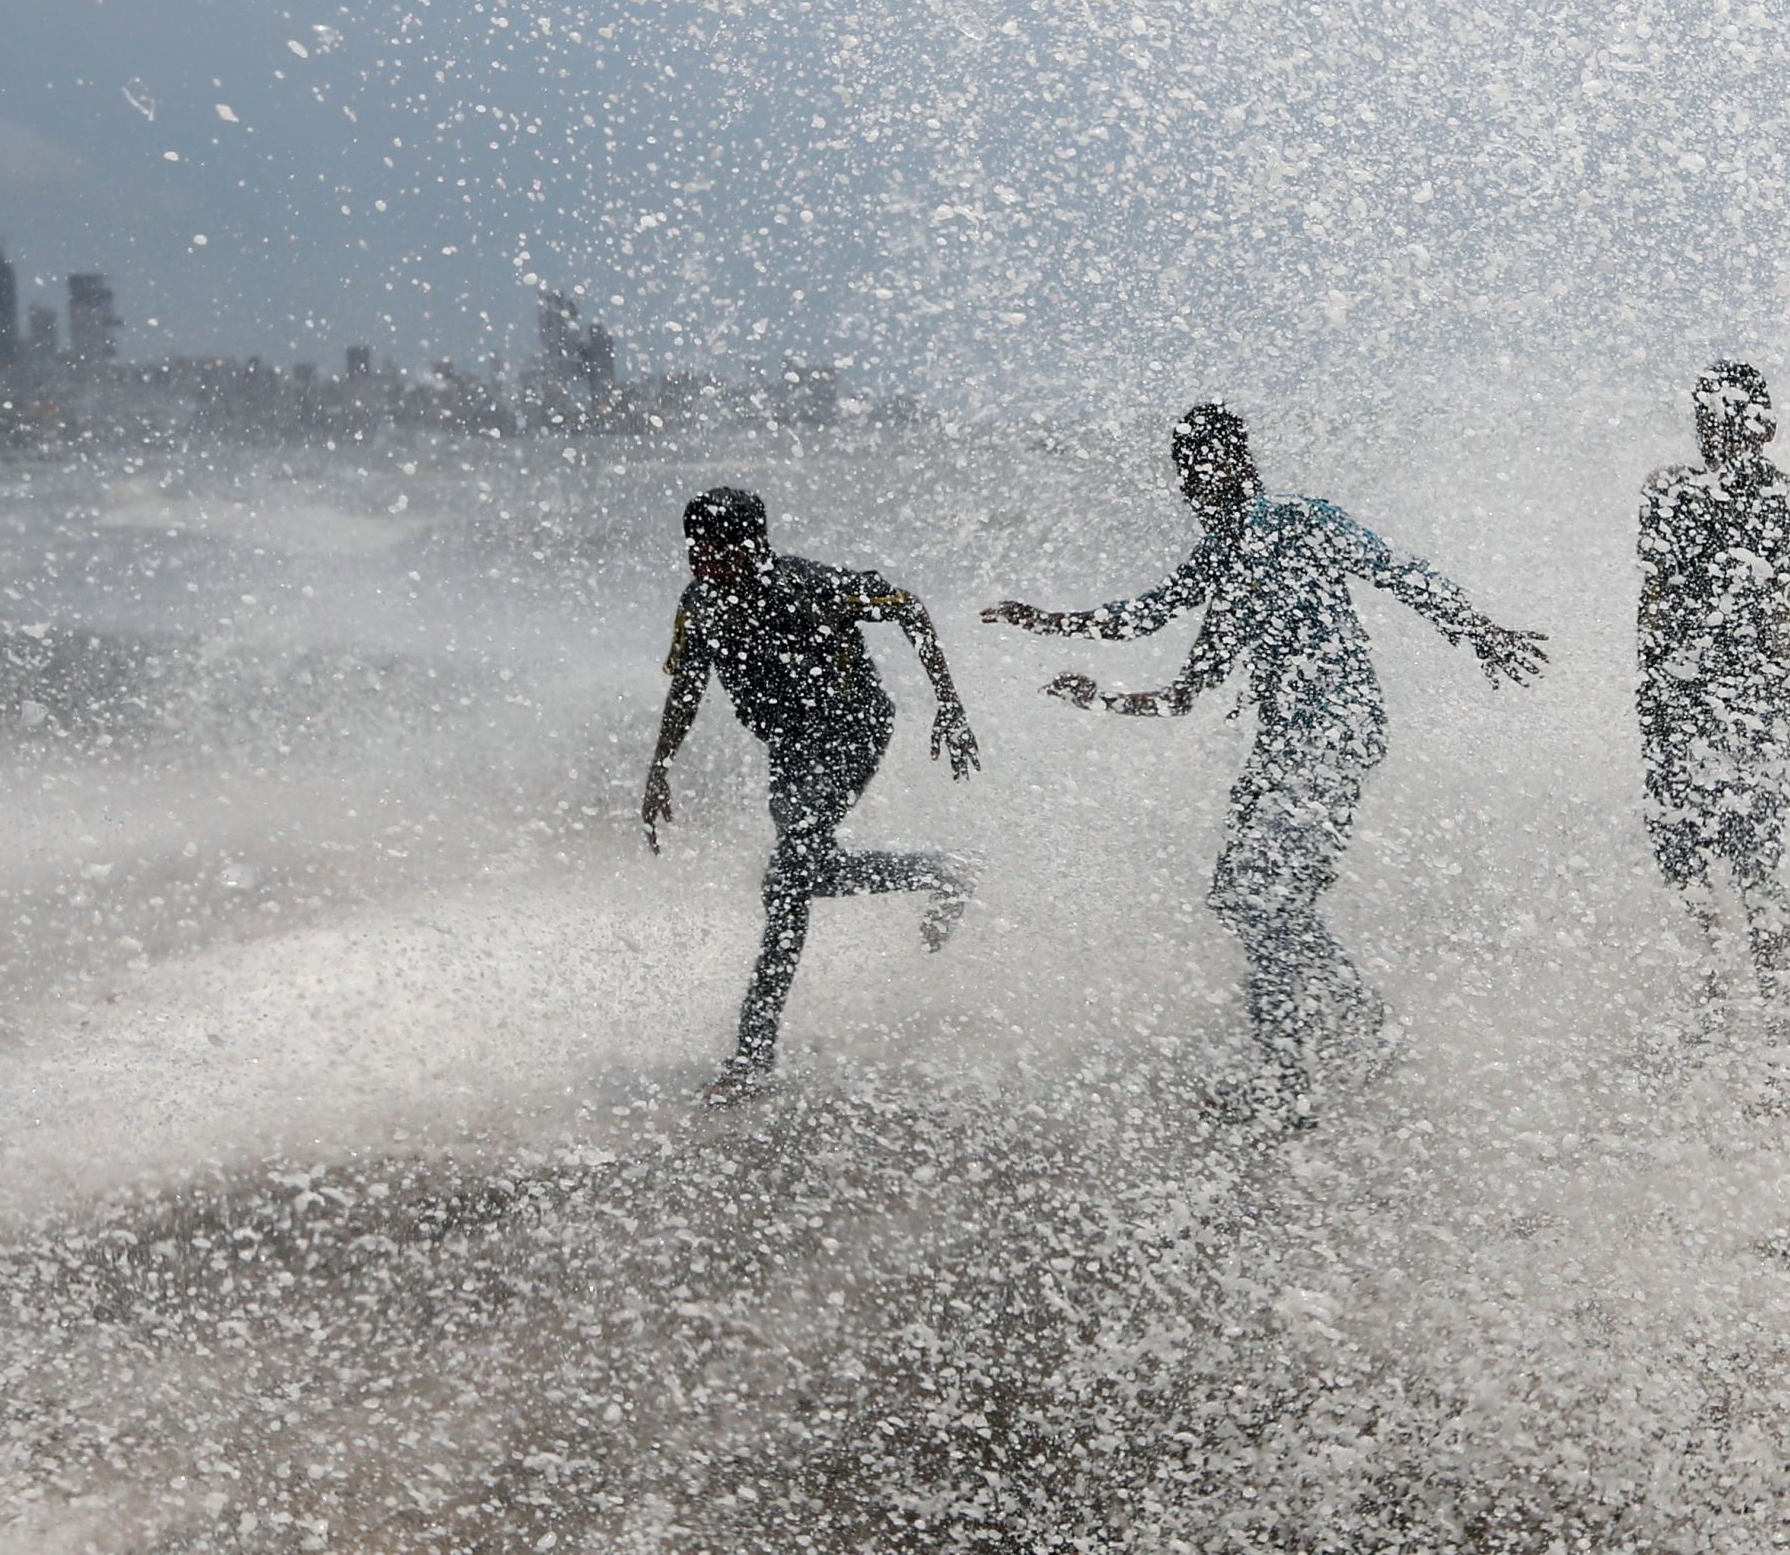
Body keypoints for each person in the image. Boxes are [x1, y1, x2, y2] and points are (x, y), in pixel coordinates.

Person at [983, 404, 1545, 1125]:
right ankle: (1357, 1036)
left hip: (1332, 733)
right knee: (1253, 902)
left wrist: (1479, 630)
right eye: (1185, 474)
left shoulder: (1296, 520)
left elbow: (1398, 572)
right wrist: (1089, 686)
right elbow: (1174, 675)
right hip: (1293, 744)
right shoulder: (1225, 559)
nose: (1193, 487)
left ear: (1238, 466)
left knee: (1257, 900)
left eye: (1202, 469)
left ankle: (1295, 1077)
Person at [642, 487, 982, 1105]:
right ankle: (942, 869)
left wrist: (950, 707)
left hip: (852, 731)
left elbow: (909, 607)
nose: (701, 563)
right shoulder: (700, 605)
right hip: (791, 751)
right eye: (694, 550)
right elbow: (688, 685)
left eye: (714, 550)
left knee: (788, 879)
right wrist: (660, 765)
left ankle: (751, 1058)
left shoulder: (810, 586)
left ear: (753, 546)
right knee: (800, 876)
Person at [1637, 362, 1790, 1106]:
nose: (1713, 434)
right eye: (1704, 421)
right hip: (1686, 708)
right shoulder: (1666, 493)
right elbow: (1653, 605)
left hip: (1748, 709)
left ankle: (1775, 1034)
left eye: (1725, 420)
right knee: (1689, 870)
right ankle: (1719, 1014)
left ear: (1765, 425)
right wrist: (1651, 706)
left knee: (1753, 871)